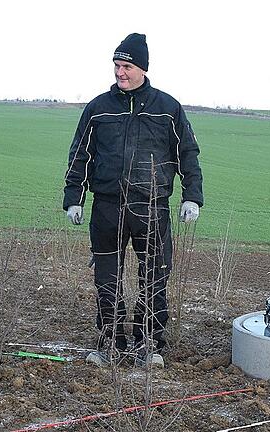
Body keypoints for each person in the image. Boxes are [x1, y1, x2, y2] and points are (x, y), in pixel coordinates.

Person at [63, 33, 203, 367]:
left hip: (151, 207)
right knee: (107, 277)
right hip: (107, 207)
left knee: (154, 275)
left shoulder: (167, 108)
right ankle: (110, 342)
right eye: (116, 66)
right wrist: (74, 198)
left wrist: (192, 197)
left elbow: (188, 153)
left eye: (126, 66)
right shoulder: (98, 109)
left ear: (142, 68)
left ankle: (148, 344)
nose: (120, 72)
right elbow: (80, 153)